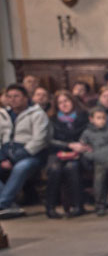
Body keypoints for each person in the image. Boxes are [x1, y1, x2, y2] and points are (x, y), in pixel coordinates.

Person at [0, 84, 51, 219]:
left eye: (16, 96)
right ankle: (9, 205)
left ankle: (2, 204)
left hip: (31, 155)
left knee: (21, 167)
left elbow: (40, 139)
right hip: (6, 154)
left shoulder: (37, 114)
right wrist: (2, 158)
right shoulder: (3, 114)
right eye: (9, 96)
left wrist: (16, 158)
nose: (12, 99)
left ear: (25, 98)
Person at [44, 90, 91, 218]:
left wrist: (81, 145)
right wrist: (68, 145)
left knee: (72, 167)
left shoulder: (84, 116)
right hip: (59, 151)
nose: (64, 104)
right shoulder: (52, 119)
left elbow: (90, 133)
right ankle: (50, 208)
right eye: (60, 103)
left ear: (73, 101)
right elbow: (49, 140)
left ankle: (78, 206)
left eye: (66, 101)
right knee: (55, 169)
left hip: (79, 152)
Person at [80, 107, 108, 216]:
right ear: (91, 119)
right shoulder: (87, 133)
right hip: (98, 160)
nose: (102, 120)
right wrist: (92, 155)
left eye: (104, 118)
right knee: (99, 182)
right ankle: (100, 205)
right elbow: (83, 148)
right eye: (98, 118)